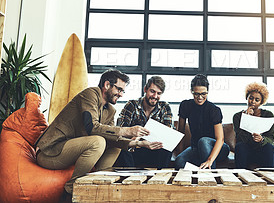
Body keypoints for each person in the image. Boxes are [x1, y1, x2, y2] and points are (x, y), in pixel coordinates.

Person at [35, 69, 150, 199]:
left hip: (70, 151)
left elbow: (112, 138)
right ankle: (71, 190)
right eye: (119, 89)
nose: (121, 94)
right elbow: (92, 127)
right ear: (107, 85)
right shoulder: (90, 94)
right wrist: (127, 131)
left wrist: (138, 143)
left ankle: (99, 182)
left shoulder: (110, 110)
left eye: (123, 91)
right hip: (50, 152)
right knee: (98, 141)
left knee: (115, 145)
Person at [114, 76, 173, 169]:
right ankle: (130, 178)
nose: (155, 96)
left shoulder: (165, 107)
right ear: (145, 89)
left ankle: (159, 177)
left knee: (167, 148)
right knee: (122, 146)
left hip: (154, 149)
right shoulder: (132, 105)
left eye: (159, 93)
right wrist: (137, 140)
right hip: (134, 149)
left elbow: (167, 133)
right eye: (152, 91)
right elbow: (121, 129)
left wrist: (140, 136)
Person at [175, 74, 230, 169]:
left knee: (203, 141)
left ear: (207, 92)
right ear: (191, 91)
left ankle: (209, 177)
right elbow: (180, 132)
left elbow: (220, 139)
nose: (200, 97)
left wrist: (210, 160)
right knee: (179, 161)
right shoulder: (185, 106)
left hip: (218, 149)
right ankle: (197, 175)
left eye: (203, 94)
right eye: (196, 94)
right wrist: (180, 152)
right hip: (196, 148)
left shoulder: (214, 110)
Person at [233, 82, 274, 169]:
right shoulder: (238, 116)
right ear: (247, 98)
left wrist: (262, 139)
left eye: (257, 100)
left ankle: (268, 179)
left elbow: (271, 138)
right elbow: (240, 138)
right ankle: (241, 177)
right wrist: (246, 118)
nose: (253, 102)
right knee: (240, 146)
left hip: (264, 151)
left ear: (261, 102)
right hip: (248, 152)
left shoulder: (268, 115)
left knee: (269, 148)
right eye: (251, 98)